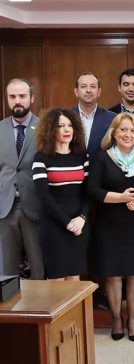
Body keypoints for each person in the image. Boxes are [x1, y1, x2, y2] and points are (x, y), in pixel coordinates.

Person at [88, 112, 134, 342]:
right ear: (114, 133)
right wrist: (121, 198)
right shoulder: (102, 157)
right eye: (123, 130)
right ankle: (116, 318)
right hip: (109, 224)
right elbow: (92, 190)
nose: (127, 134)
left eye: (132, 130)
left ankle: (133, 319)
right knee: (113, 275)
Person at [32, 109, 90, 280]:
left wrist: (82, 218)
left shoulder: (82, 157)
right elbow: (43, 196)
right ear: (51, 130)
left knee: (74, 278)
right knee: (56, 281)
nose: (67, 130)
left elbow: (88, 193)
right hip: (53, 225)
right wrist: (67, 223)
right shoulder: (41, 158)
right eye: (61, 126)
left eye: (70, 125)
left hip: (79, 225)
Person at [0, 78, 43, 279]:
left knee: (38, 267)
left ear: (32, 98)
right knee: (7, 270)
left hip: (35, 208)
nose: (17, 100)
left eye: (22, 96)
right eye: (12, 96)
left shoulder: (45, 128)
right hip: (5, 209)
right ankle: (10, 311)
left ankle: (38, 310)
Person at [71, 72, 116, 155]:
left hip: (101, 167)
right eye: (84, 86)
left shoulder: (112, 119)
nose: (88, 90)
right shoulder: (66, 117)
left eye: (93, 86)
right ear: (76, 92)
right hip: (73, 166)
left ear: (99, 91)